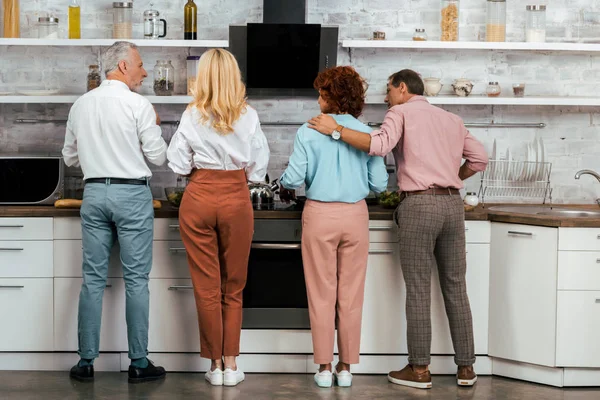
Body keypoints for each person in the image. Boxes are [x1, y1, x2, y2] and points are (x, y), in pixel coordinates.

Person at [307, 69, 489, 389]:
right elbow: (479, 158)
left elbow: (379, 146)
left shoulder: (400, 112)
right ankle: (467, 369)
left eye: (388, 90)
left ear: (402, 88)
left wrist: (335, 129)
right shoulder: (451, 119)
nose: (386, 96)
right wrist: (452, 178)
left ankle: (419, 370)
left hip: (419, 205)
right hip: (451, 206)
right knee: (456, 287)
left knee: (418, 288)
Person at [62, 41, 167, 383]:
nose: (144, 71)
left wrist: (99, 151)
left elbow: (70, 158)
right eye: (140, 64)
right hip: (132, 195)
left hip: (93, 193)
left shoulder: (81, 105)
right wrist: (153, 125)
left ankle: (85, 363)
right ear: (123, 66)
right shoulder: (139, 105)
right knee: (136, 280)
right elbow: (158, 157)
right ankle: (138, 363)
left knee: (92, 280)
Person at [279, 66, 388, 388]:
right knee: (351, 296)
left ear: (331, 96)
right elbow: (380, 184)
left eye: (321, 93)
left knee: (321, 294)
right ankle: (346, 368)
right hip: (356, 216)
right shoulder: (368, 133)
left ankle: (324, 368)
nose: (317, 99)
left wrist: (285, 182)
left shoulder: (308, 130)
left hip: (320, 216)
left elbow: (294, 178)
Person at [166, 48, 270, 387]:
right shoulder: (249, 115)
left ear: (205, 77)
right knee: (234, 286)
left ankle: (213, 366)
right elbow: (258, 169)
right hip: (236, 198)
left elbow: (179, 165)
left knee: (206, 286)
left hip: (198, 197)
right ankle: (231, 363)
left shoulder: (191, 114)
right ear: (234, 77)